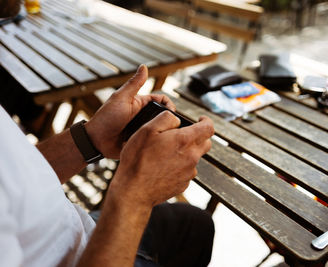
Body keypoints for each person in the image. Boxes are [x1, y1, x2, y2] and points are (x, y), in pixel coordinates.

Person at [0, 1, 216, 266]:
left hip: (74, 231)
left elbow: (11, 179)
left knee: (195, 224)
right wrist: (134, 195)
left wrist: (90, 139)